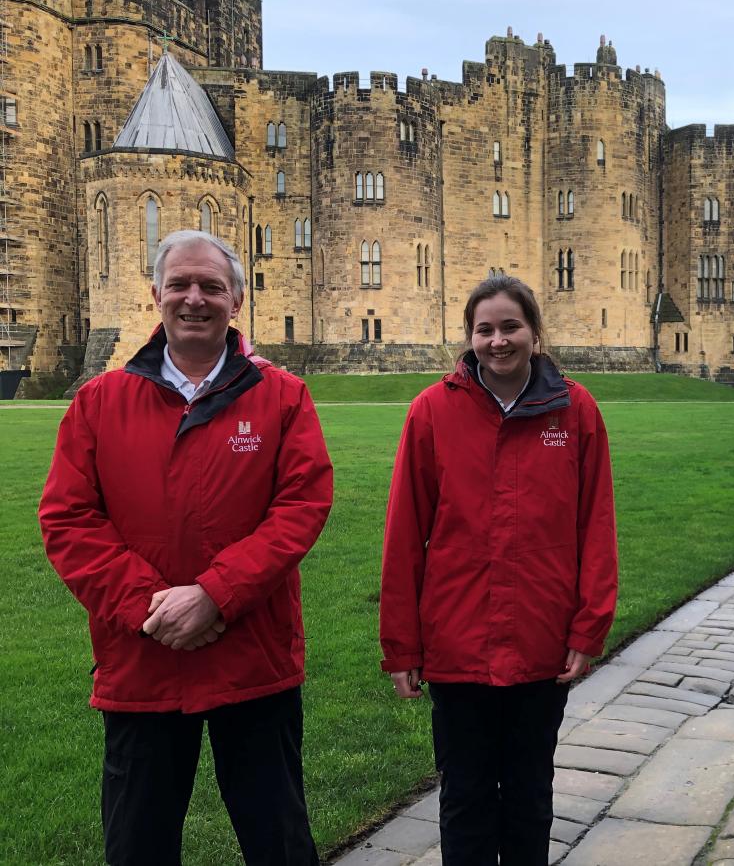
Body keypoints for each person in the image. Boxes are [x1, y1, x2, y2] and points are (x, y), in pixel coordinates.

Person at [39, 230, 333, 865]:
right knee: (138, 845)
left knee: (278, 840)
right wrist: (154, 607)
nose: (194, 299)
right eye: (180, 285)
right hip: (142, 661)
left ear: (237, 300)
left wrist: (217, 596)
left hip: (252, 659)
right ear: (156, 295)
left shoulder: (282, 397)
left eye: (211, 286)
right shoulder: (100, 402)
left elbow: (301, 507)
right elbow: (67, 520)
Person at [380, 274, 617, 865]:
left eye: (511, 327)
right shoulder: (432, 411)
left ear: (535, 334)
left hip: (541, 638)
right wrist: (401, 646)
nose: (498, 341)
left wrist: (589, 629)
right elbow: (405, 534)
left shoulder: (577, 410)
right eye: (484, 329)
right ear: (469, 337)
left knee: (531, 795)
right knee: (465, 795)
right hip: (458, 640)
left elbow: (597, 525)